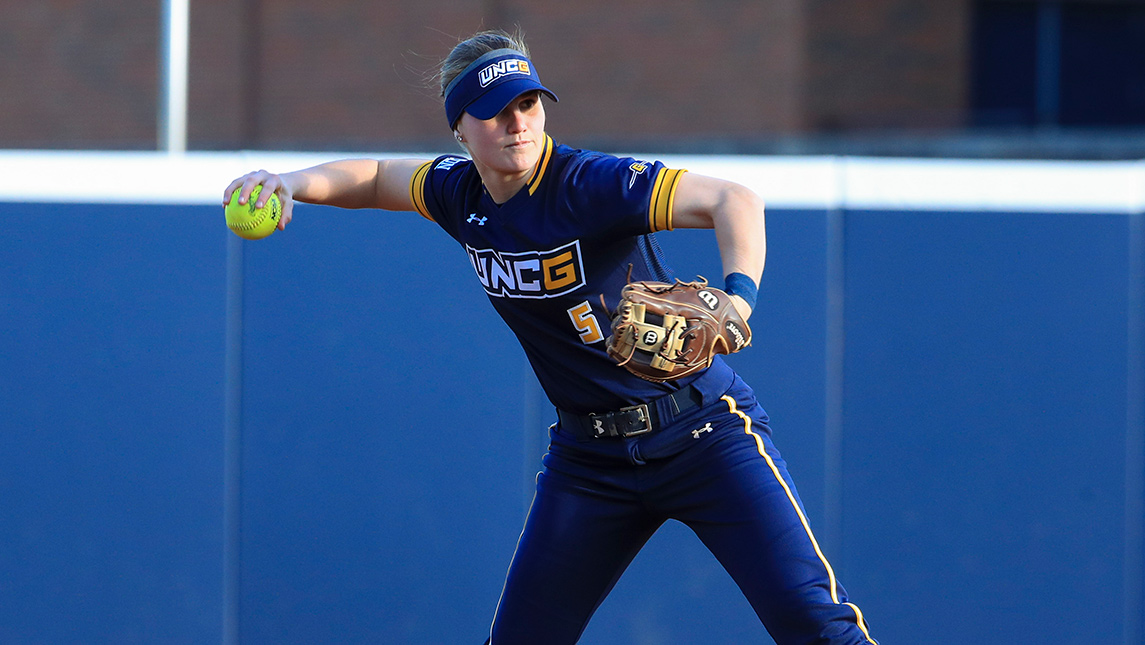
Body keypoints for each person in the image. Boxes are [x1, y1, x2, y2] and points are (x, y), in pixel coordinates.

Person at [225, 28, 878, 645]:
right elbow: (372, 177)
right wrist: (287, 183)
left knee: (813, 622)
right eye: (494, 109)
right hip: (590, 461)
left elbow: (734, 198)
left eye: (529, 104)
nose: (517, 122)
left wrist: (738, 296)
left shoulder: (588, 184)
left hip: (702, 435)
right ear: (459, 126)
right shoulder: (459, 195)